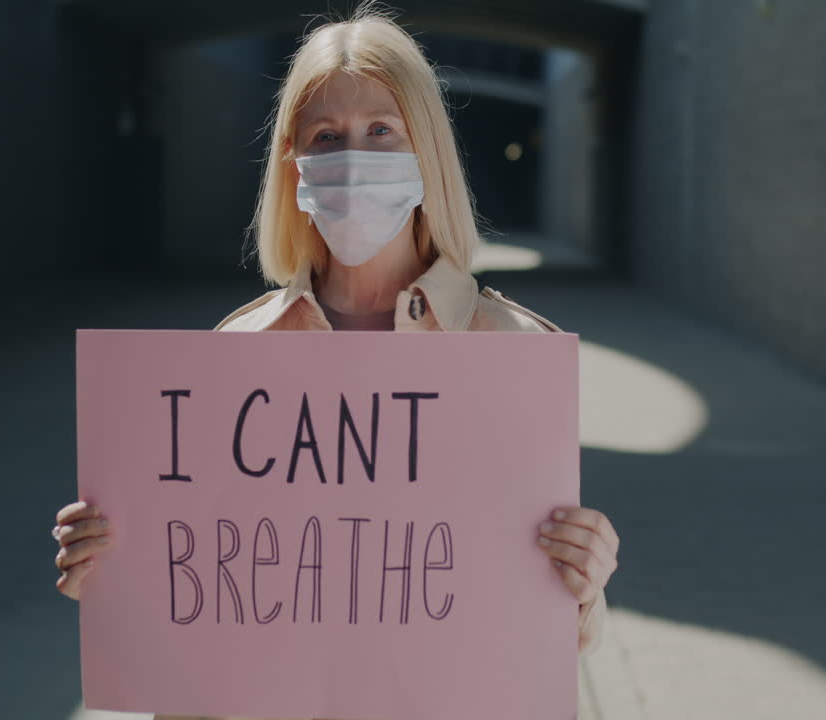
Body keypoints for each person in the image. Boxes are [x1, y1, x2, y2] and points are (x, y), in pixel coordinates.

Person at [51, 6, 620, 719]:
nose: (355, 155)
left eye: (382, 129)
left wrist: (585, 581)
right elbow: (201, 610)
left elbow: (541, 634)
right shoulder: (236, 356)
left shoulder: (512, 353)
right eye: (327, 135)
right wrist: (113, 572)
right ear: (294, 165)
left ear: (428, 152)